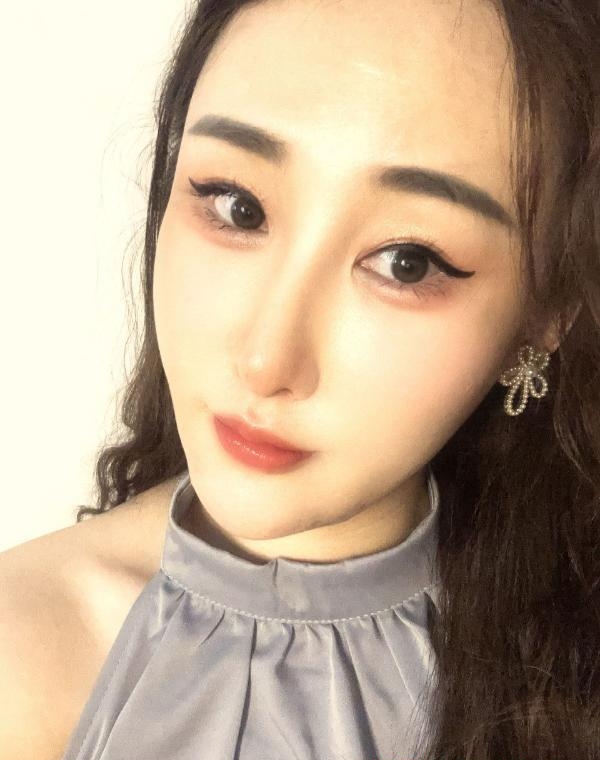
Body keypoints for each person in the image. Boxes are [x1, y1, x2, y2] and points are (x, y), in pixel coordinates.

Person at [1, 0, 598, 758]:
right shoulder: (24, 659)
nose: (266, 360)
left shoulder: (567, 651)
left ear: (544, 315)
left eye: (406, 262)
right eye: (238, 207)